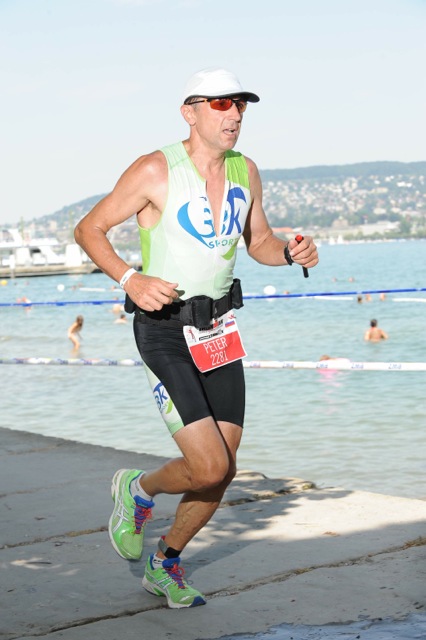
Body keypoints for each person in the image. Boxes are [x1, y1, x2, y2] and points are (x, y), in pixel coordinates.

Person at [74, 67, 319, 609]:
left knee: (222, 470)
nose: (234, 115)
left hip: (218, 330)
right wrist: (130, 279)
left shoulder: (245, 170)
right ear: (190, 112)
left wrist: (289, 252)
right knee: (208, 465)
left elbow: (258, 241)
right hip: (164, 330)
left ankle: (165, 562)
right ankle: (138, 489)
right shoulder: (155, 168)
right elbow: (89, 229)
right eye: (221, 104)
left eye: (241, 105)